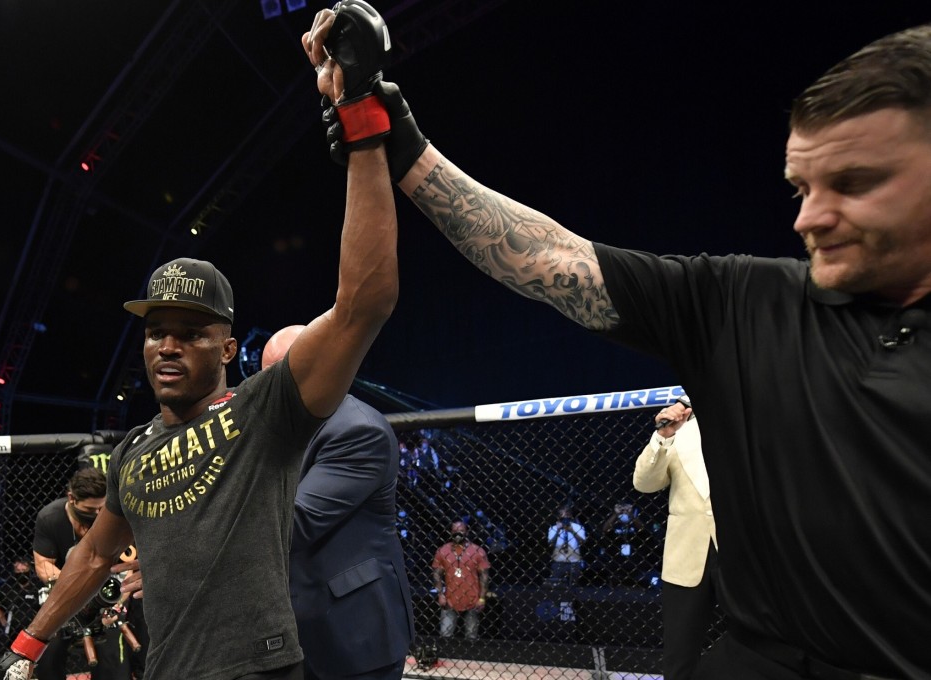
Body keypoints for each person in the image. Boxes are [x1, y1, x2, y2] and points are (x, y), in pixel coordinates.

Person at [309, 8, 931, 677]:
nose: (809, 217)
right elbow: (547, 258)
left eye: (854, 184)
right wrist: (380, 121)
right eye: (801, 187)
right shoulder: (747, 301)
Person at [0, 3, 399, 676]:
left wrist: (361, 120)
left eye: (189, 334)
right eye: (155, 334)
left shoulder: (264, 410)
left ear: (229, 349)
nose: (166, 347)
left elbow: (364, 304)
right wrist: (27, 646)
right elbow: (92, 557)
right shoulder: (135, 451)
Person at [260, 324, 415, 680]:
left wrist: (192, 549)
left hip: (353, 632)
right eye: (265, 375)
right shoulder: (274, 428)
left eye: (280, 373)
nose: (268, 387)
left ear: (320, 365)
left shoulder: (357, 429)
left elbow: (294, 521)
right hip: (287, 629)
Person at [633, 395, 718, 680]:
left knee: (758, 641)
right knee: (680, 653)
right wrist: (663, 435)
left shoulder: (745, 417)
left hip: (743, 550)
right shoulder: (678, 429)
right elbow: (644, 483)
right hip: (685, 556)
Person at [31, 468, 131, 680]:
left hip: (107, 593)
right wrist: (79, 589)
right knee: (48, 657)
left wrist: (113, 599)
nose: (97, 515)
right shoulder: (51, 517)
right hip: (63, 593)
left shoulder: (114, 516)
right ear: (72, 498)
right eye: (90, 509)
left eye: (101, 509)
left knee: (111, 660)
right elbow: (43, 565)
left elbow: (126, 565)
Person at [431, 520, 490, 641]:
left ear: (467, 532)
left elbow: (484, 576)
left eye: (461, 531)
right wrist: (440, 594)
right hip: (449, 600)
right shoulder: (443, 551)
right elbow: (436, 573)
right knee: (445, 636)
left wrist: (482, 598)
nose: (458, 533)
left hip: (472, 600)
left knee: (471, 638)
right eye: (455, 531)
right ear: (451, 532)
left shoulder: (477, 551)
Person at [0, 559, 42, 646]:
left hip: (36, 632)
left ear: (29, 570)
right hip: (14, 634)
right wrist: (4, 623)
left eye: (24, 570)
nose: (21, 573)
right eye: (18, 570)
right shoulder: (8, 589)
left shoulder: (37, 587)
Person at [546, 506, 587, 587]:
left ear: (570, 515)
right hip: (558, 561)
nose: (565, 517)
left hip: (574, 561)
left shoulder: (578, 527)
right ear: (558, 516)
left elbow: (582, 542)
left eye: (567, 514)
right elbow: (550, 544)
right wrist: (558, 531)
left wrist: (572, 531)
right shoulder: (553, 528)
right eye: (562, 515)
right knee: (556, 586)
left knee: (574, 585)